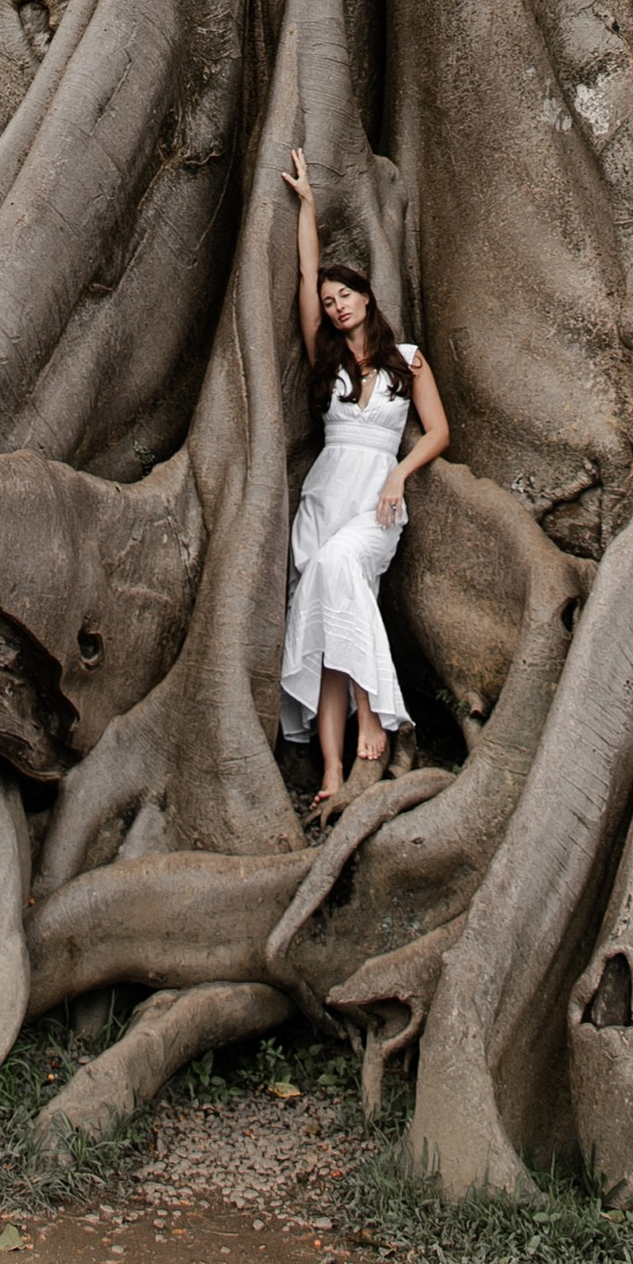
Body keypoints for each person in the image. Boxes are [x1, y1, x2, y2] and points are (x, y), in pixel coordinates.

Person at [278, 145, 450, 823]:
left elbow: (438, 434)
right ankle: (331, 768)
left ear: (368, 296)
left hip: (377, 498)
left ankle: (377, 720)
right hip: (325, 496)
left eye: (345, 294)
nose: (336, 305)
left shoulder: (408, 361)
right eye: (329, 300)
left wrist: (399, 478)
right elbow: (302, 273)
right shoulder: (327, 358)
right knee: (326, 632)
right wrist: (308, 207)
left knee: (344, 569)